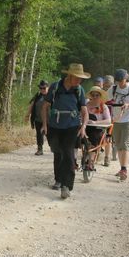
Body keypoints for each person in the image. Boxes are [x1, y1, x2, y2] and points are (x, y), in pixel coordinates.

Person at [40, 63, 90, 200]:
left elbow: (85, 112)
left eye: (81, 78)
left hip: (72, 126)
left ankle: (66, 186)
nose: (79, 81)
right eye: (77, 78)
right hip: (54, 126)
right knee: (57, 152)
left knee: (68, 154)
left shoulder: (79, 90)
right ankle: (58, 179)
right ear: (69, 75)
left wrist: (83, 126)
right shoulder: (56, 87)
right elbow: (45, 107)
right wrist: (44, 125)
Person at [84, 86, 112, 170]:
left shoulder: (103, 106)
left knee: (94, 138)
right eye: (93, 95)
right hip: (85, 128)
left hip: (97, 129)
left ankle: (91, 161)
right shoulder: (86, 105)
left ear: (100, 96)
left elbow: (108, 120)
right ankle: (73, 161)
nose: (95, 97)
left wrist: (95, 122)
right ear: (90, 96)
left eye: (97, 95)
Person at [25, 80, 49, 155]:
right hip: (38, 119)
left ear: (48, 88)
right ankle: (40, 149)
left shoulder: (52, 96)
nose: (42, 90)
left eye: (44, 88)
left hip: (49, 120)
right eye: (40, 88)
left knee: (50, 135)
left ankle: (56, 149)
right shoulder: (38, 95)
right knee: (39, 134)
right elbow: (32, 105)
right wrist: (27, 115)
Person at [102, 74, 116, 165]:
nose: (107, 87)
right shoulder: (99, 92)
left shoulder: (115, 93)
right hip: (101, 116)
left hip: (112, 117)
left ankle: (107, 157)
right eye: (106, 85)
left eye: (109, 85)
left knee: (108, 137)